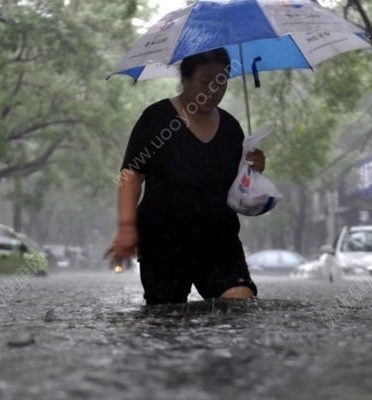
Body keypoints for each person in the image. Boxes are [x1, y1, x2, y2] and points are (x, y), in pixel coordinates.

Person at [105, 48, 265, 305]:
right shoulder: (157, 119)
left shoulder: (232, 128)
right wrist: (126, 229)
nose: (214, 89)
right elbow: (131, 175)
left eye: (222, 80)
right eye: (206, 81)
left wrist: (254, 168)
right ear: (185, 78)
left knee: (239, 306)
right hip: (163, 242)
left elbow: (240, 187)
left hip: (219, 242)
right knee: (167, 322)